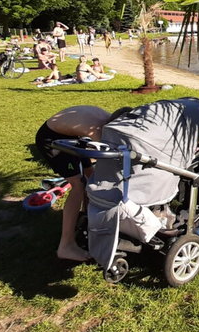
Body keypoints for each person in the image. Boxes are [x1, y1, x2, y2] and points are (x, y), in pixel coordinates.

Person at [34, 105, 131, 261]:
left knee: (90, 176)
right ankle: (66, 246)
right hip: (51, 140)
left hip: (73, 136)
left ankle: (88, 218)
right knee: (78, 185)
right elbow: (112, 161)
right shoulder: (96, 130)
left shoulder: (106, 118)